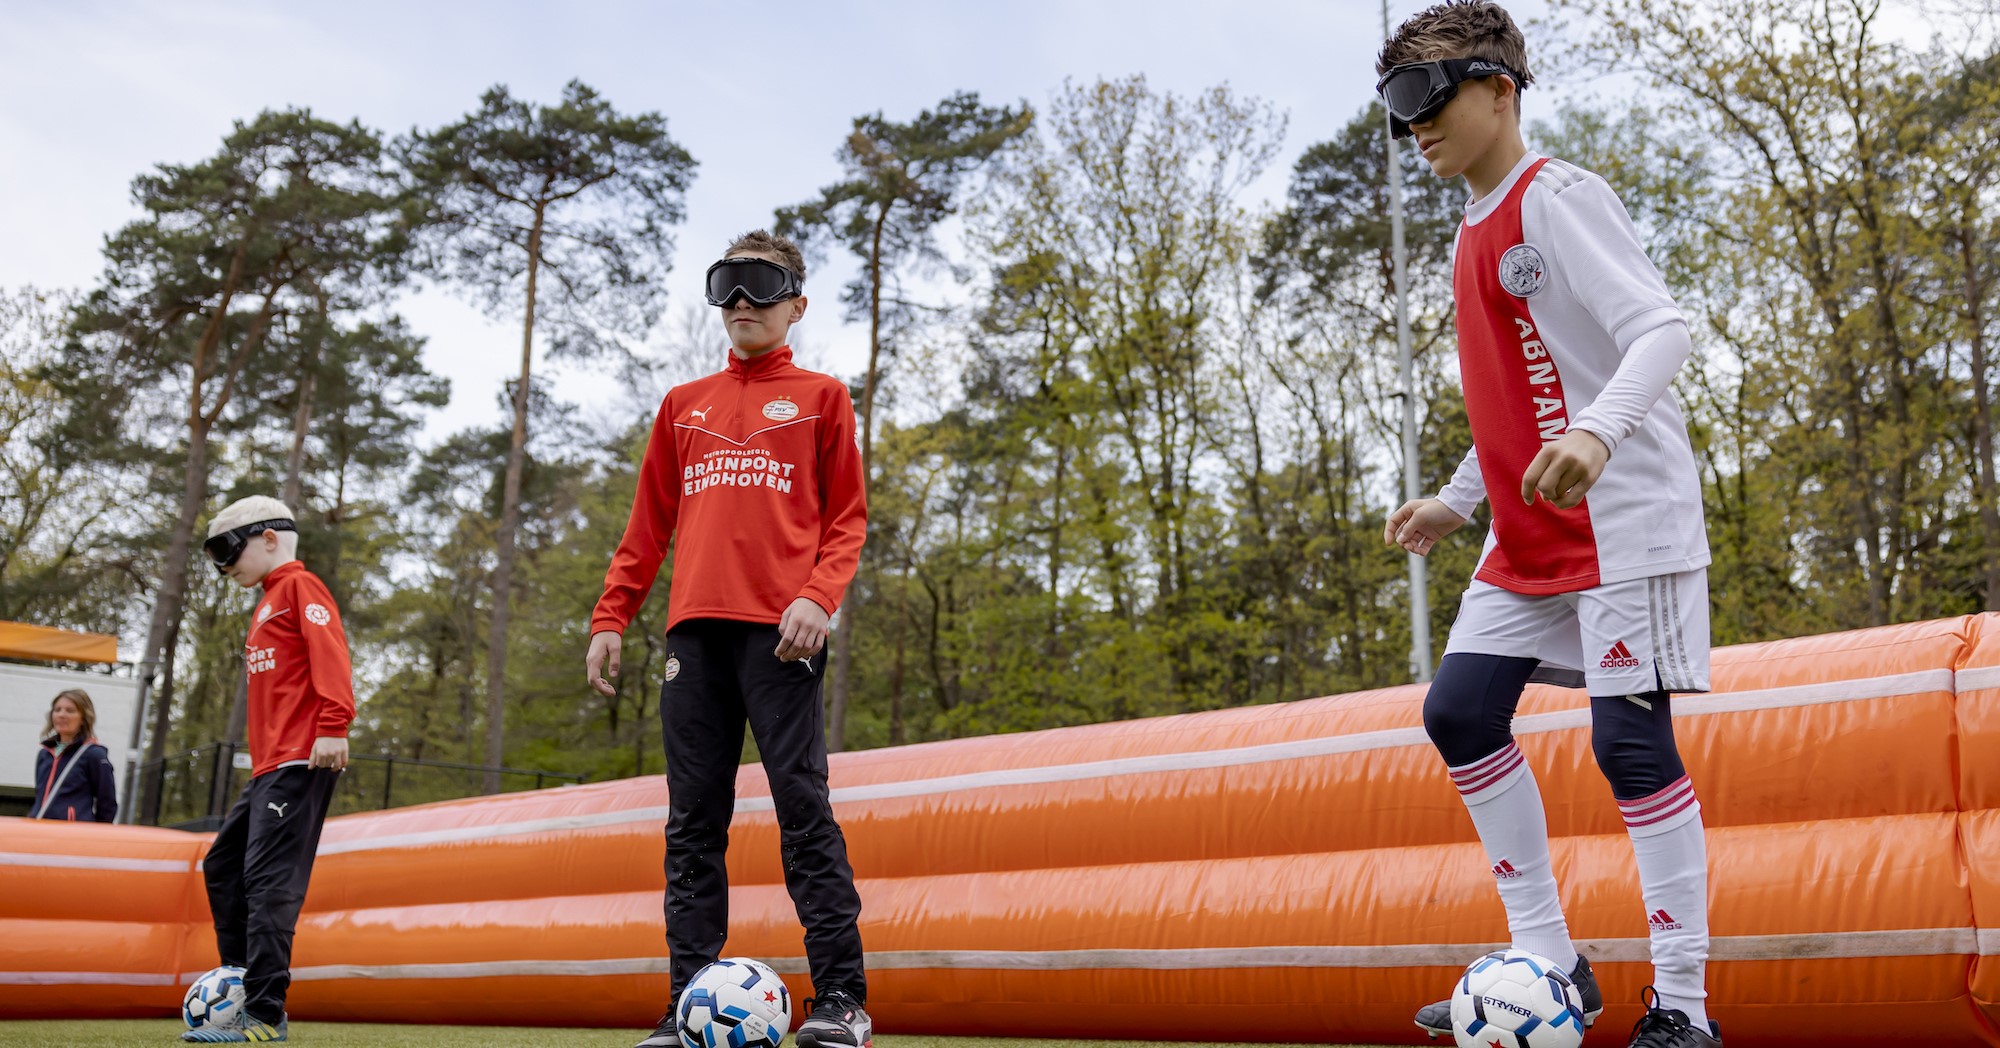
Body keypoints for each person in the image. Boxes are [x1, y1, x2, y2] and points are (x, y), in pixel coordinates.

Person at [1375, 3, 1721, 1046]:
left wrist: (1598, 434)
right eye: (1394, 109)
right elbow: (1512, 394)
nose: (1412, 127)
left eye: (1424, 98)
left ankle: (1683, 1010)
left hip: (1624, 523)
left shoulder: (1557, 199)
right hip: (1522, 537)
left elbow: (1659, 328)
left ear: (1498, 90)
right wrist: (1459, 497)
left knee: (1627, 745)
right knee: (1458, 712)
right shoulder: (1466, 229)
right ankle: (1551, 961)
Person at [586, 230, 872, 1048]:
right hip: (693, 637)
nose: (742, 302)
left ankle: (843, 1001)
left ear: (796, 305)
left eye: (760, 286)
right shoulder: (683, 404)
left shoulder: (823, 398)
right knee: (691, 823)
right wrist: (613, 615)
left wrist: (819, 598)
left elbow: (847, 520)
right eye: (727, 287)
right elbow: (647, 527)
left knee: (802, 808)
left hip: (783, 636)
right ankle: (685, 1007)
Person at [183, 496, 353, 1044]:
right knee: (222, 867)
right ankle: (239, 983)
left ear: (270, 538)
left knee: (267, 881)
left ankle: (263, 1014)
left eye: (227, 549)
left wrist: (334, 724)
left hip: (302, 757)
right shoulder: (266, 602)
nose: (222, 564)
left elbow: (331, 652)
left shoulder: (301, 588)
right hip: (267, 767)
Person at [30, 689, 118, 822]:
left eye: (70, 710)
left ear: (83, 718)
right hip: (39, 831)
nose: (61, 715)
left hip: (71, 834)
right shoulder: (45, 753)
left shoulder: (93, 754)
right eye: (57, 709)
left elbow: (107, 803)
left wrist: (97, 836)